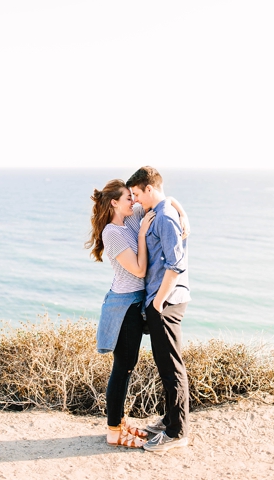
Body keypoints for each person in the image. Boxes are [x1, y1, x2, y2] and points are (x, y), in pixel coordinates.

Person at [86, 180, 188, 449]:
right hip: (124, 304)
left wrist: (183, 214)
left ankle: (119, 423)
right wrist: (143, 236)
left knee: (127, 366)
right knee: (122, 368)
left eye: (134, 196)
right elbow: (140, 271)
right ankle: (113, 431)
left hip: (135, 303)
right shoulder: (112, 233)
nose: (134, 201)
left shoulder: (132, 219)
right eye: (128, 198)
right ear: (114, 203)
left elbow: (163, 202)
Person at [126, 166, 190, 453]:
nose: (136, 200)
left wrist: (158, 302)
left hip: (165, 301)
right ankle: (170, 420)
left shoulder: (164, 216)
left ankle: (177, 433)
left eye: (138, 193)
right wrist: (177, 203)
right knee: (166, 366)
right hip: (162, 299)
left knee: (171, 367)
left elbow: (176, 263)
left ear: (149, 189)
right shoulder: (164, 209)